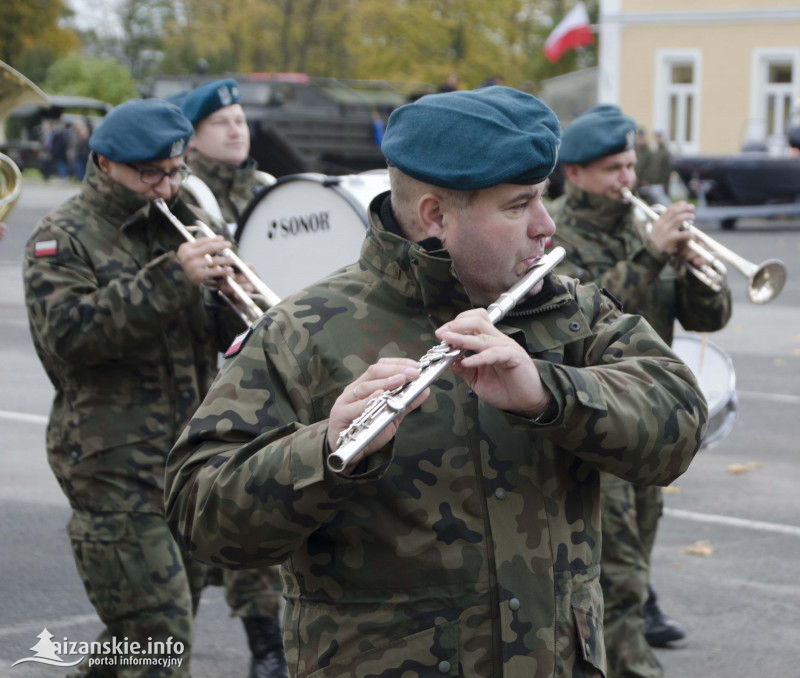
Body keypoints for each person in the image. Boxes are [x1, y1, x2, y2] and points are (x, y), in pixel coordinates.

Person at [164, 86, 708, 677]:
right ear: (435, 217)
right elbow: (200, 512)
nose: (546, 227)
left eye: (542, 199)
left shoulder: (565, 310)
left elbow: (678, 422)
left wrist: (549, 393)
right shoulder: (304, 331)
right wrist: (324, 450)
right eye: (517, 206)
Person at [22, 98, 252, 675]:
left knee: (140, 638)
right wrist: (172, 277)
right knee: (161, 634)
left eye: (176, 171)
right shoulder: (62, 238)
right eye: (151, 173)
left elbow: (219, 343)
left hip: (186, 462)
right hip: (111, 466)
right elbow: (69, 337)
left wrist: (233, 303)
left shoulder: (186, 226)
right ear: (103, 163)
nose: (166, 187)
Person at [547, 104, 732, 677]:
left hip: (648, 419)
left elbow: (710, 316)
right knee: (620, 580)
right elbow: (572, 318)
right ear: (574, 173)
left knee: (630, 569)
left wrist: (694, 268)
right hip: (593, 414)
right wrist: (651, 256)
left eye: (629, 166)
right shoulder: (553, 231)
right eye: (612, 169)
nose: (627, 179)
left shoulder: (639, 225)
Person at [178, 77, 287, 678]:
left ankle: (269, 649)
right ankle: (263, 647)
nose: (238, 128)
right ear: (192, 138)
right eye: (223, 122)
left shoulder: (271, 192)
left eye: (243, 119)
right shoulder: (184, 199)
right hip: (214, 380)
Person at [180, 78, 275, 230]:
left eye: (239, 121)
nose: (235, 132)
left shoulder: (268, 186)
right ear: (191, 137)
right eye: (220, 123)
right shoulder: (183, 194)